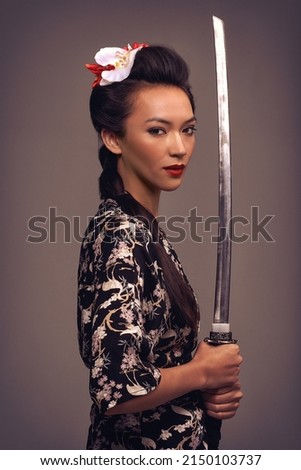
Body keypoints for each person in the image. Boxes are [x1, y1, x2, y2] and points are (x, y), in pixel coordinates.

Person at [77, 43, 243, 450]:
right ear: (113, 138)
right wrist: (203, 373)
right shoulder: (121, 233)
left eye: (187, 129)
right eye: (157, 130)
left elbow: (158, 367)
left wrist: (206, 394)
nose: (179, 147)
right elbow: (115, 386)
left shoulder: (140, 227)